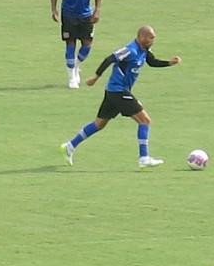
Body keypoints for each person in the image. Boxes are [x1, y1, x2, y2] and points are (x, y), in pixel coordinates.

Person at [59, 25, 182, 169]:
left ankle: (70, 146)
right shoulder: (130, 50)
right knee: (145, 120)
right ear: (142, 37)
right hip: (119, 91)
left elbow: (152, 62)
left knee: (99, 124)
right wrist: (95, 77)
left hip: (114, 91)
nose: (153, 40)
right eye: (151, 37)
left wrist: (169, 63)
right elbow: (109, 59)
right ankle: (144, 157)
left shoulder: (144, 49)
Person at [50, 0, 102, 89]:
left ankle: (76, 66)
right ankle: (71, 77)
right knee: (70, 45)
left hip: (86, 14)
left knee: (87, 46)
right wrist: (54, 10)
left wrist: (97, 10)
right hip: (69, 14)